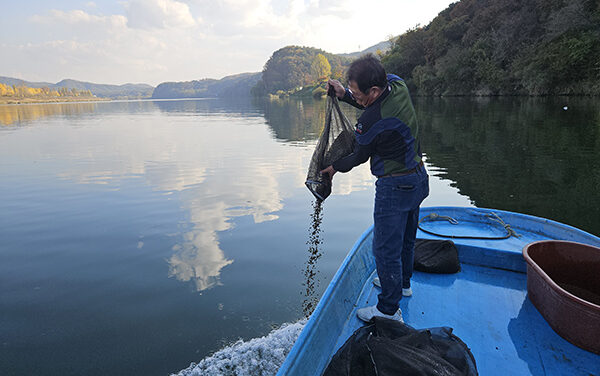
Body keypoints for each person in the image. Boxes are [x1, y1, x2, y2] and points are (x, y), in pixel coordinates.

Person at [322, 54, 429, 323]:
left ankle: (388, 310)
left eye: (358, 94)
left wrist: (333, 167)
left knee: (384, 249)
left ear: (375, 90)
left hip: (394, 187)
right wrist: (344, 93)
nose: (355, 98)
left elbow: (358, 156)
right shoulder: (398, 85)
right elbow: (370, 102)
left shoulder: (371, 120)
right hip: (418, 179)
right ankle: (403, 284)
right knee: (406, 238)